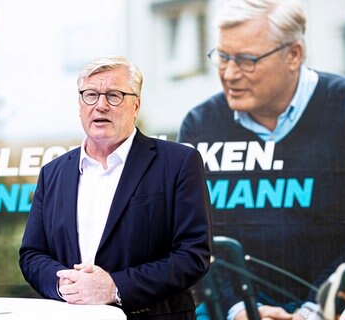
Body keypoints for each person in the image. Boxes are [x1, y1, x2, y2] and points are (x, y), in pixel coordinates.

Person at [177, 0, 345, 319]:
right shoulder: (200, 125)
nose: (229, 73)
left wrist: (314, 311)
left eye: (246, 60)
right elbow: (194, 243)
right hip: (235, 302)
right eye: (222, 57)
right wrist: (239, 310)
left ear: (293, 54)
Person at [19, 55, 212, 319]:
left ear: (136, 105)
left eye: (114, 95)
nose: (101, 106)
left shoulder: (178, 162)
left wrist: (115, 287)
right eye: (90, 95)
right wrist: (63, 283)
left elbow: (192, 256)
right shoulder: (53, 173)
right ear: (79, 104)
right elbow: (32, 254)